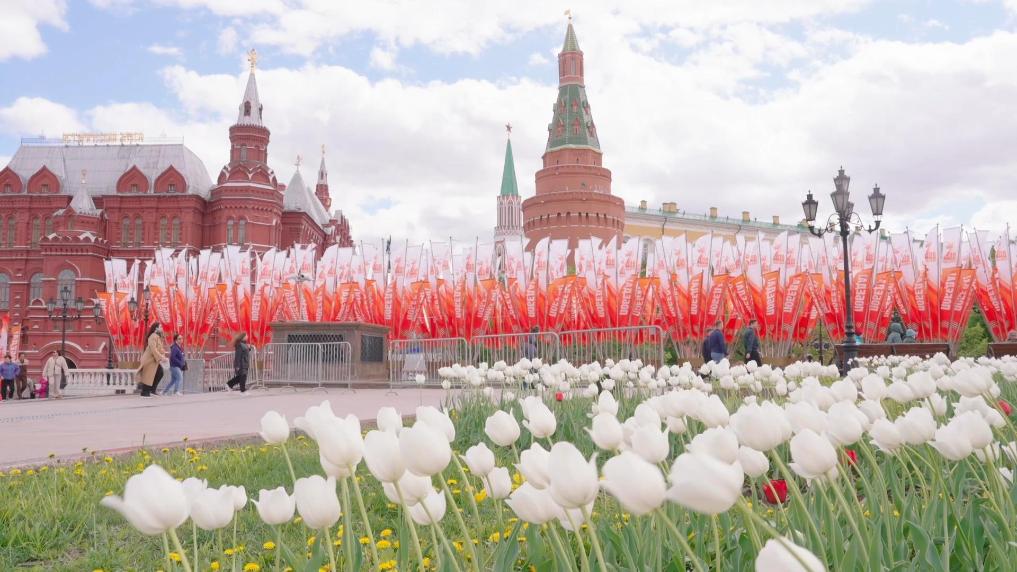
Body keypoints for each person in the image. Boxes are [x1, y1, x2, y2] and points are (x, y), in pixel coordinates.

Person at [138, 323, 167, 398]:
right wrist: (161, 357)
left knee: (159, 373)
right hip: (149, 360)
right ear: (156, 328)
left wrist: (163, 355)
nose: (162, 328)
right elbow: (153, 349)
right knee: (148, 375)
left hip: (153, 360)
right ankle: (145, 392)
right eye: (160, 326)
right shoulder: (153, 336)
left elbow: (160, 348)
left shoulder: (158, 337)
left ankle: (152, 390)